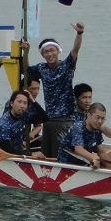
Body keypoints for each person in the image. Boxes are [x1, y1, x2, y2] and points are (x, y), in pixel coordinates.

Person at [28, 23, 85, 157]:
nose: (50, 54)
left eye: (52, 50)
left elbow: (75, 50)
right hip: (49, 120)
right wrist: (26, 51)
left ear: (58, 51)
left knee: (63, 155)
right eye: (46, 52)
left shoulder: (67, 65)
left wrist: (79, 33)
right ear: (42, 54)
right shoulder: (41, 68)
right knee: (48, 155)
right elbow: (26, 69)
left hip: (66, 120)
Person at [58, 102, 111, 169]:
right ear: (89, 115)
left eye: (102, 118)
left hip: (83, 164)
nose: (100, 121)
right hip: (66, 165)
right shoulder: (78, 127)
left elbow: (101, 151)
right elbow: (78, 149)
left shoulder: (97, 129)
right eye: (97, 117)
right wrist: (93, 157)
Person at [0, 89, 42, 156]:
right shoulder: (3, 124)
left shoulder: (22, 115)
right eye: (19, 102)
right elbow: (9, 151)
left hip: (18, 154)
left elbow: (45, 118)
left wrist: (33, 101)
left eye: (25, 103)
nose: (22, 106)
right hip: (2, 159)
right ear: (11, 103)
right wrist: (31, 154)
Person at [24, 76, 47, 153]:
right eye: (33, 89)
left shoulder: (35, 106)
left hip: (29, 140)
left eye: (38, 88)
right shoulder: (13, 103)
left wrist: (32, 134)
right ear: (25, 89)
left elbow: (39, 125)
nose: (36, 92)